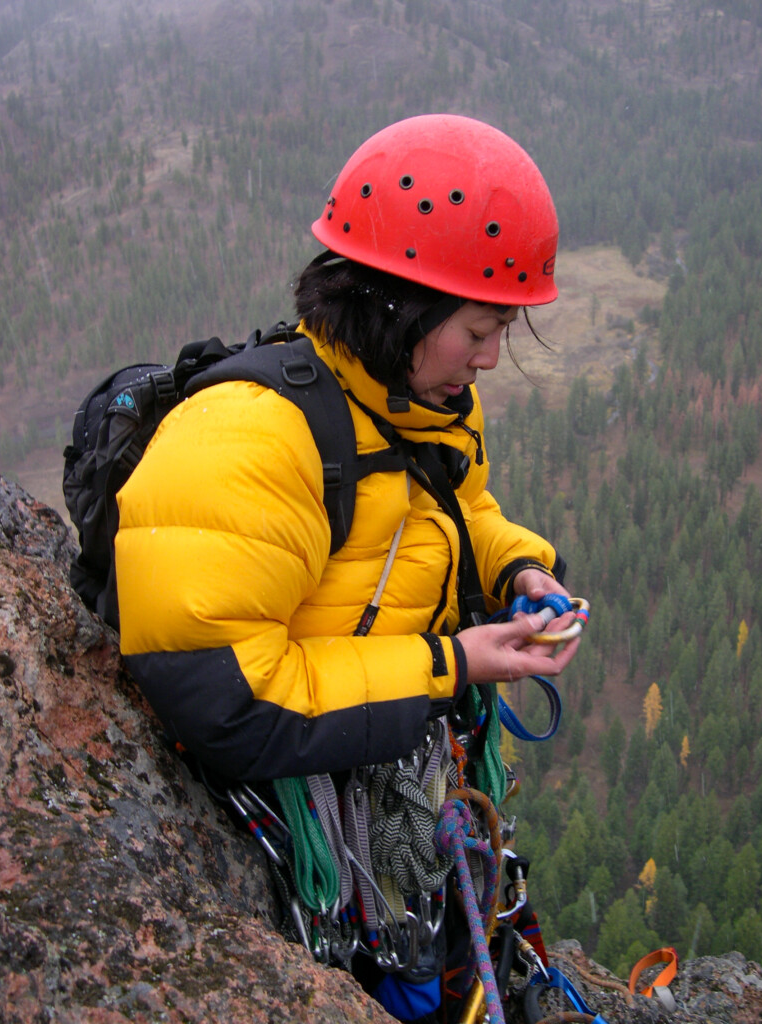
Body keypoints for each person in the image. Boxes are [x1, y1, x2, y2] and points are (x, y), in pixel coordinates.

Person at [114, 113, 581, 1021]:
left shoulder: (425, 401)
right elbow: (229, 696)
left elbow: (452, 509)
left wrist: (519, 566)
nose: (489, 360)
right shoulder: (250, 440)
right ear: (399, 307)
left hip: (395, 773)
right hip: (307, 816)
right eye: (479, 330)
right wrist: (451, 666)